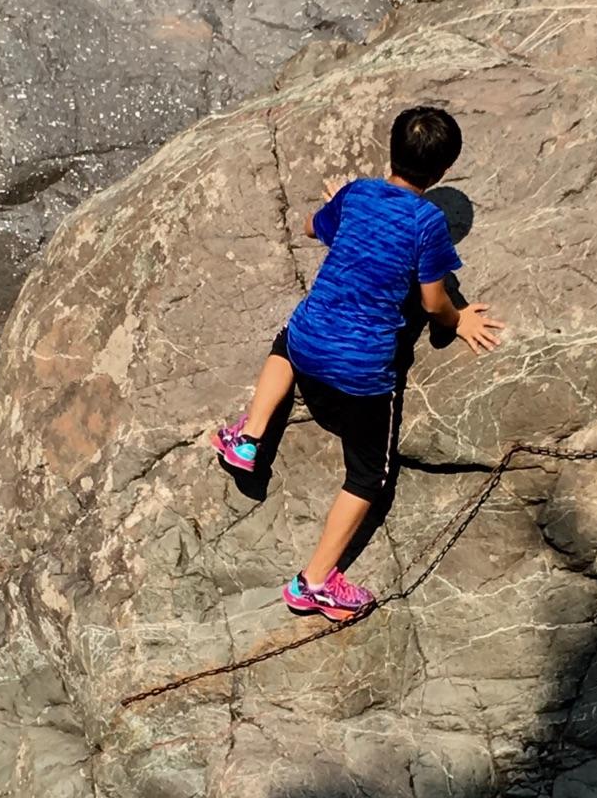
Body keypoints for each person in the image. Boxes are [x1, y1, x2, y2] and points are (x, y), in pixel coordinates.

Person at [210, 105, 504, 624]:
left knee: (286, 340)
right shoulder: (428, 223)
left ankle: (249, 438)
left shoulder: (358, 193)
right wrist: (458, 321)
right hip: (363, 375)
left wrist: (339, 209)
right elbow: (434, 302)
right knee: (370, 477)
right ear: (442, 173)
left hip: (308, 345)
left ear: (390, 149)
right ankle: (315, 583)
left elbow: (312, 227)